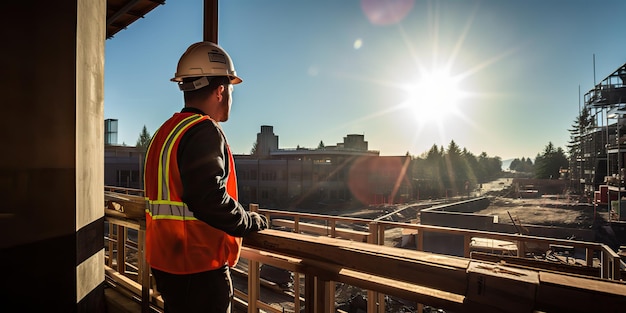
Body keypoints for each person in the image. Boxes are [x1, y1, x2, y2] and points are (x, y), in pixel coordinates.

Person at [143, 41, 268, 313]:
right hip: (197, 266)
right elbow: (208, 197)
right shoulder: (203, 131)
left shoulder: (165, 132)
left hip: (167, 261)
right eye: (231, 88)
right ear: (221, 91)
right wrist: (248, 221)